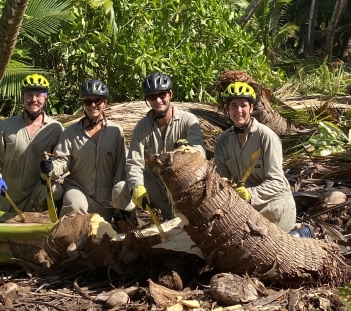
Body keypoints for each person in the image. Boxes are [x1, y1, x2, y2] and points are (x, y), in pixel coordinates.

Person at [112, 72, 205, 221]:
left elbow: (200, 151)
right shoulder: (141, 127)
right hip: (155, 184)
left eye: (162, 95)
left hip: (183, 184)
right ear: (147, 99)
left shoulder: (188, 120)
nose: (158, 100)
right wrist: (136, 187)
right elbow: (134, 162)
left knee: (182, 225)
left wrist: (186, 151)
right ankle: (131, 222)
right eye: (152, 97)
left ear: (170, 94)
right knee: (120, 190)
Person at [214, 81, 297, 233]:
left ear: (251, 108)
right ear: (228, 109)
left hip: (273, 207)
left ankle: (299, 234)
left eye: (243, 105)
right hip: (244, 207)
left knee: (265, 250)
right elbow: (221, 178)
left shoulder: (266, 137)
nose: (239, 110)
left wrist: (251, 194)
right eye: (234, 105)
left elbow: (277, 181)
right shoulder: (223, 140)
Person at [42, 79, 127, 222]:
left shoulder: (116, 132)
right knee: (74, 207)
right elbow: (61, 161)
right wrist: (50, 169)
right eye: (88, 101)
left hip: (105, 197)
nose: (92, 105)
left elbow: (121, 166)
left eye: (97, 100)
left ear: (104, 103)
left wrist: (122, 201)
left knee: (104, 228)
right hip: (77, 189)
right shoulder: (70, 132)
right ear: (83, 104)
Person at [0, 74, 64, 213]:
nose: (33, 99)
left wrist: (52, 168)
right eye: (29, 95)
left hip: (37, 194)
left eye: (39, 95)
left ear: (46, 98)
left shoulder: (55, 128)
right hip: (10, 196)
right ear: (22, 97)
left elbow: (64, 160)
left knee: (57, 190)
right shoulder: (6, 126)